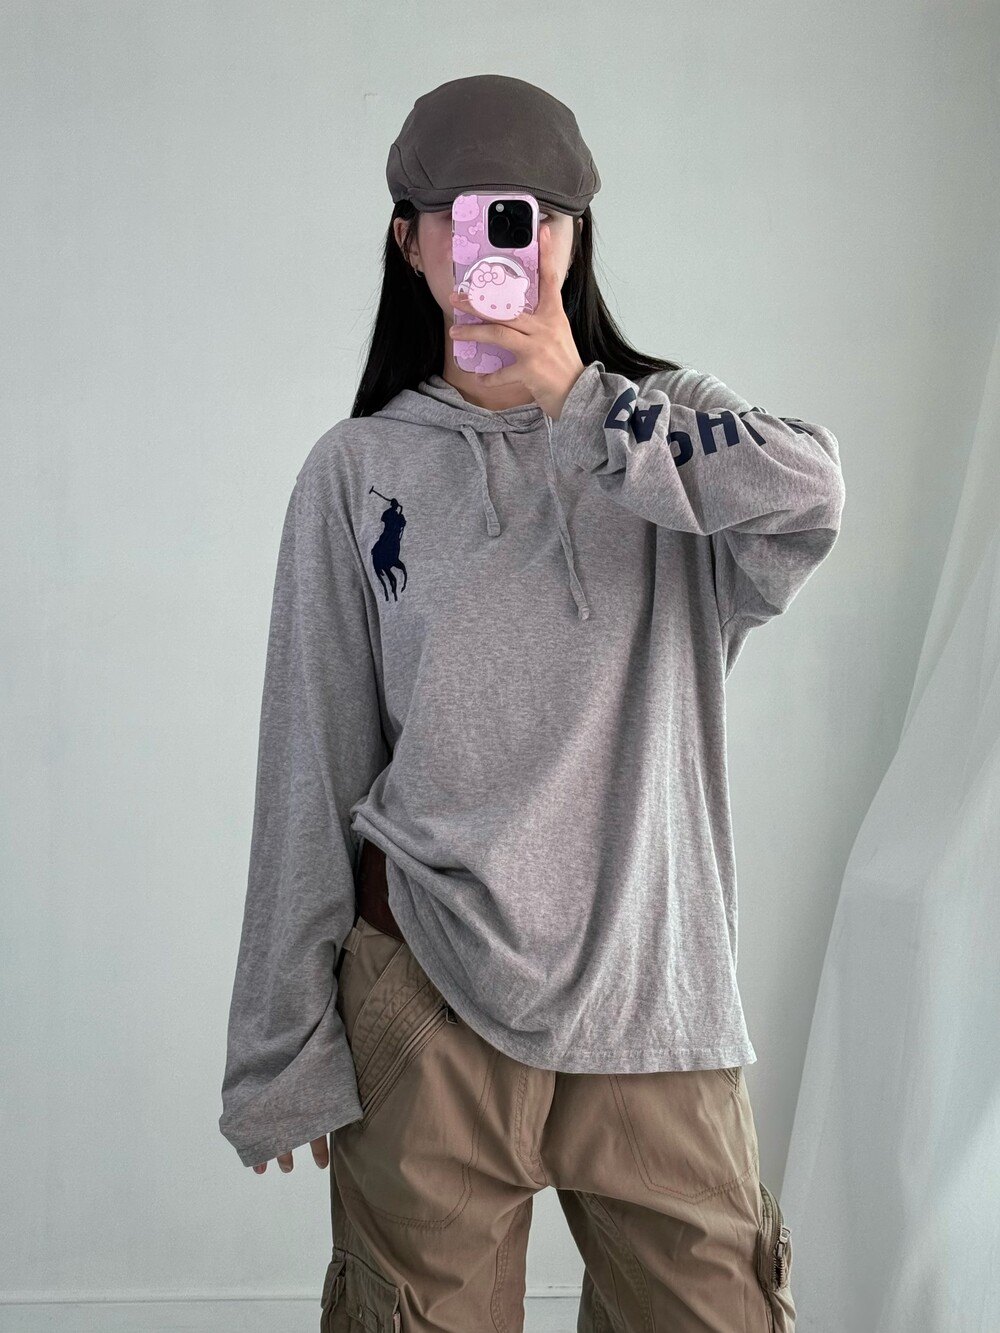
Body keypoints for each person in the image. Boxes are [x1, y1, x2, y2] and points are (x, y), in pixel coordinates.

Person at [219, 73, 844, 1332]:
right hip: (425, 999)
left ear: (571, 237)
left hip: (654, 1002)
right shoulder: (357, 471)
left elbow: (812, 494)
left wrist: (582, 402)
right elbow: (311, 752)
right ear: (408, 242)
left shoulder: (668, 432)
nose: (490, 247)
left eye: (524, 217)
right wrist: (281, 1045)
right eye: (455, 218)